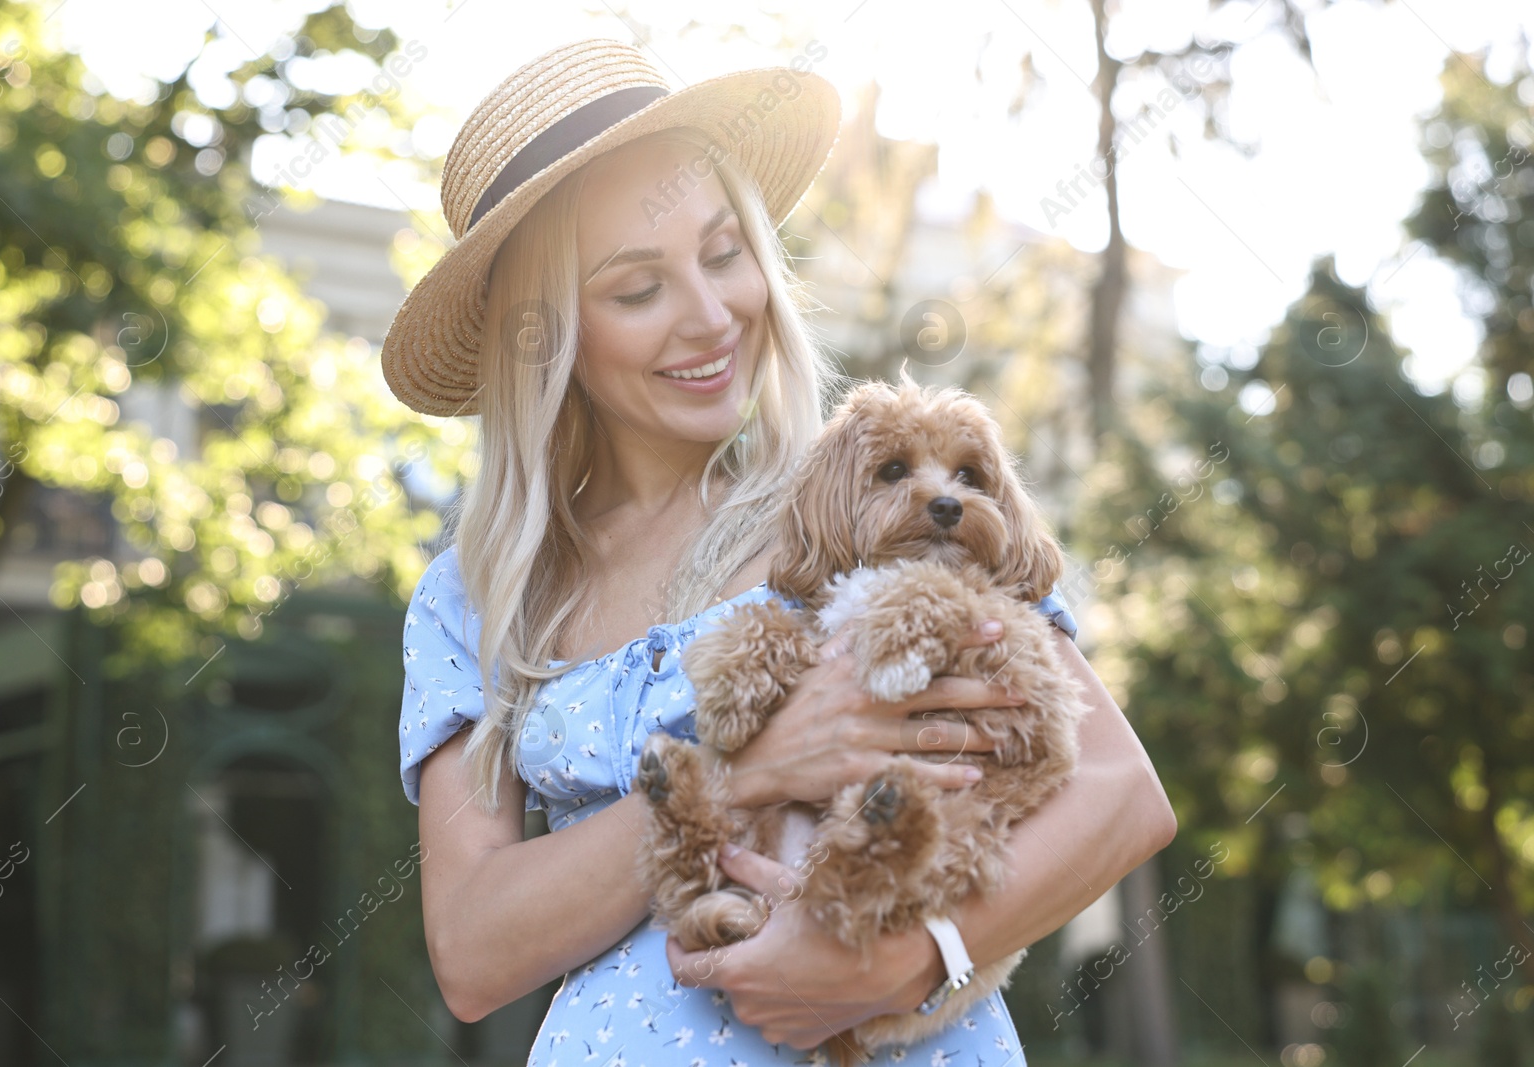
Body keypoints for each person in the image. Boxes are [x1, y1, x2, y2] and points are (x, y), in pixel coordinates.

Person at [384, 38, 1176, 1066]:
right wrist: (754, 766)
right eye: (637, 289)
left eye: (723, 253)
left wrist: (914, 957)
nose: (712, 316)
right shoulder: (474, 598)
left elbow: (1119, 793)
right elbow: (475, 948)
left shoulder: (862, 499)